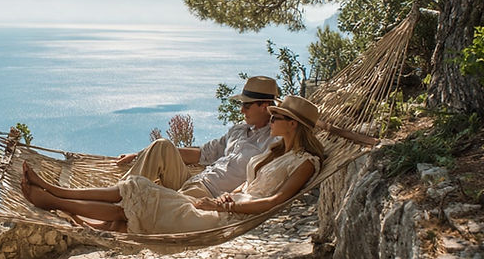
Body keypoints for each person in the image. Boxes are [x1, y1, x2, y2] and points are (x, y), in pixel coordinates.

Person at [20, 95, 325, 234]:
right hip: (216, 200)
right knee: (138, 187)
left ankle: (53, 198)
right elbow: (246, 184)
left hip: (223, 216)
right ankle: (53, 191)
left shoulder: (303, 162)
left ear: (294, 125)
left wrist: (225, 207)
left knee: (135, 199)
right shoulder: (273, 153)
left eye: (277, 117)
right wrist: (228, 198)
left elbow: (274, 201)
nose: (272, 120)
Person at [116, 76, 279, 199]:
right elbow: (201, 153)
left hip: (210, 193)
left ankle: (121, 199)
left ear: (265, 106)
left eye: (247, 105)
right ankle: (120, 192)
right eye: (241, 104)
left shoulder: (274, 142)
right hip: (194, 181)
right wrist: (141, 155)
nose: (242, 110)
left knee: (158, 201)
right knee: (161, 145)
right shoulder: (238, 130)